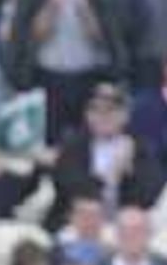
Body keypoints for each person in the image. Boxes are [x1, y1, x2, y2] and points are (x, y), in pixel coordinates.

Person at [7, 0, 128, 143]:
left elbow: (111, 39)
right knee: (46, 142)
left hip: (90, 77)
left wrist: (88, 17)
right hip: (46, 76)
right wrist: (49, 13)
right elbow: (25, 36)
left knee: (88, 144)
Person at [46, 82, 165, 231]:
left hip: (126, 230)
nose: (103, 116)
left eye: (110, 110)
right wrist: (111, 175)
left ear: (125, 115)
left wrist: (130, 172)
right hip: (76, 226)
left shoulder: (139, 148)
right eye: (95, 109)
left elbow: (150, 194)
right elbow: (74, 192)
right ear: (87, 115)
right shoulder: (73, 148)